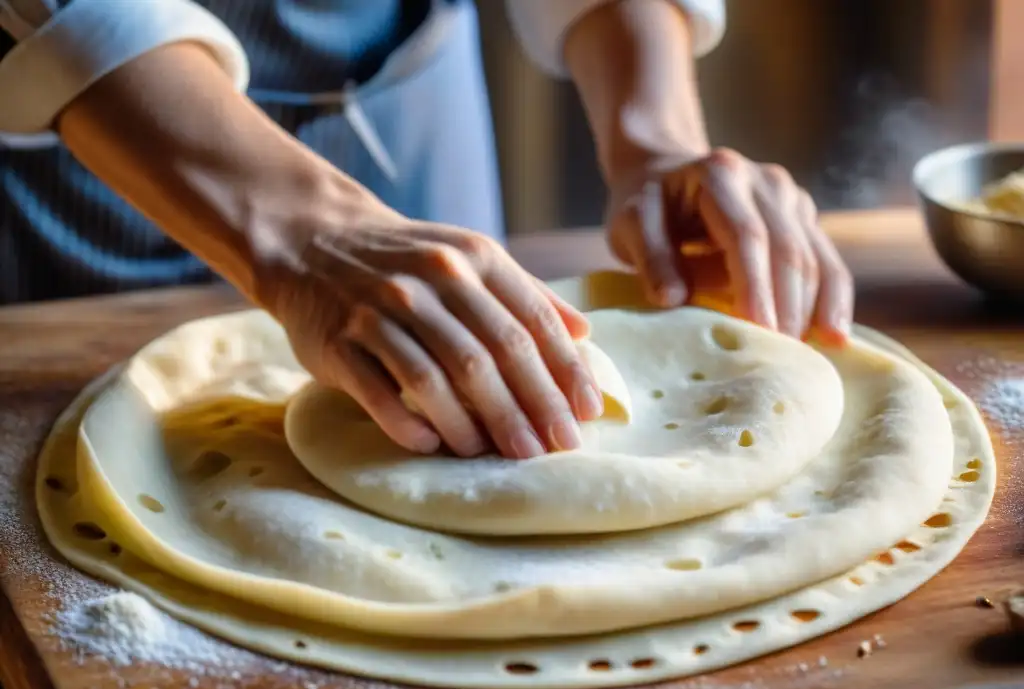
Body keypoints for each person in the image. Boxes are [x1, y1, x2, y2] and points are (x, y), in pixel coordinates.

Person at [0, 0, 853, 461]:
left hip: (407, 95)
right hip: (89, 144)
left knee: (488, 426)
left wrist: (655, 136)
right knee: (90, 464)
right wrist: (309, 237)